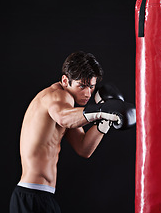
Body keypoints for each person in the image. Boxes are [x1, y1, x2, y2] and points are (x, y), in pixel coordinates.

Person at [9, 51, 125, 213]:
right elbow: (63, 117)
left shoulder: (70, 110)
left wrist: (104, 122)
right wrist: (101, 111)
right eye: (82, 86)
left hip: (41, 196)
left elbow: (84, 148)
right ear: (65, 80)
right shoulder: (57, 96)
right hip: (32, 196)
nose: (87, 93)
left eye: (91, 86)